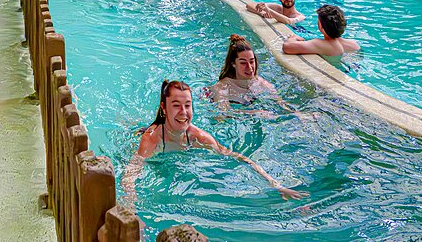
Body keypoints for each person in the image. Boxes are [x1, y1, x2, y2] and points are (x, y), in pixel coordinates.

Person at [121, 80, 307, 204]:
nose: (183, 113)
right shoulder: (152, 139)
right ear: (164, 107)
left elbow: (240, 158)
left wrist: (277, 185)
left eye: (187, 105)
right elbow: (131, 173)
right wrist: (131, 205)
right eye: (176, 106)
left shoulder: (198, 137)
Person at [203, 34, 311, 120]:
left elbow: (280, 103)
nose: (250, 68)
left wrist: (298, 115)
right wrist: (253, 113)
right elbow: (221, 115)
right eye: (243, 63)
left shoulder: (260, 82)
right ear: (233, 63)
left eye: (252, 61)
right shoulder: (222, 87)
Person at [282, 4, 360, 58]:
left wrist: (294, 37)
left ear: (321, 27)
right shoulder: (354, 44)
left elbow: (286, 47)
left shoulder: (319, 44)